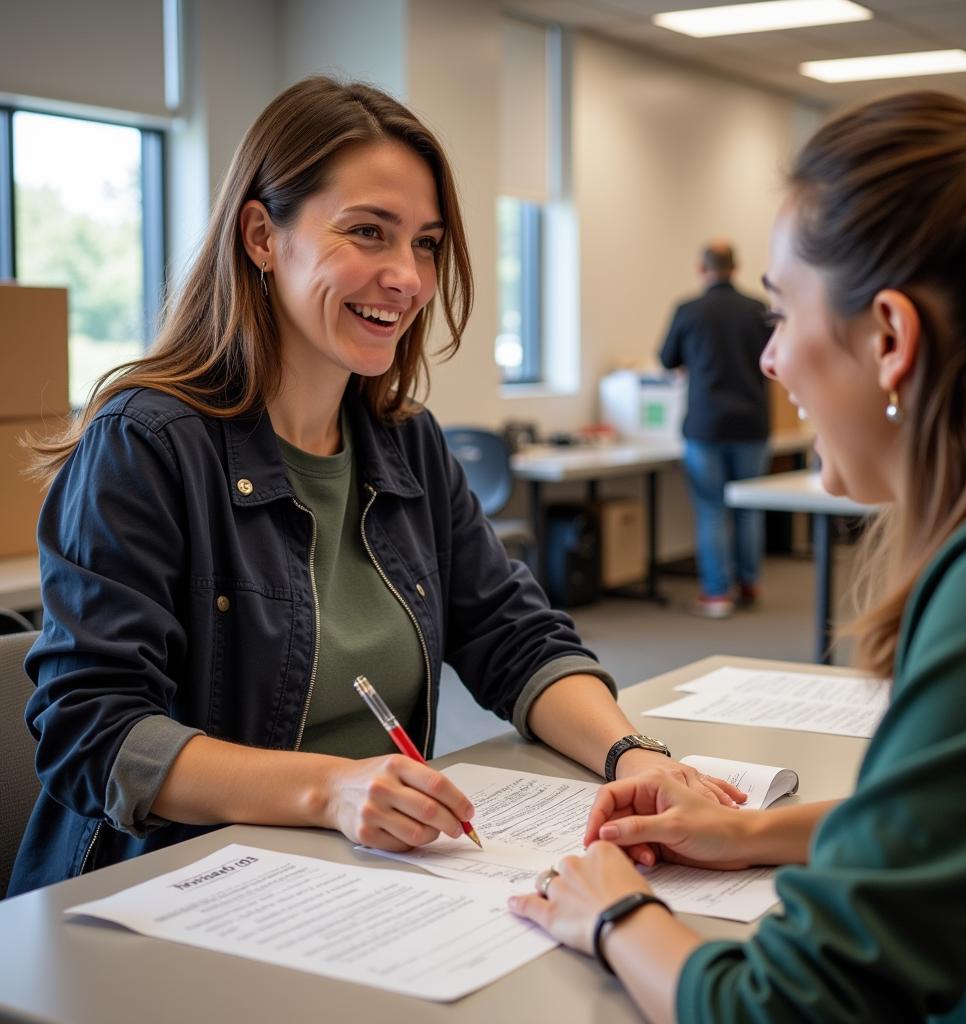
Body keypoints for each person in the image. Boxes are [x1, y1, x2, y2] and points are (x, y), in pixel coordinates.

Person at [7, 77, 743, 898]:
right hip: (174, 891)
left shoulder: (401, 441)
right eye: (368, 233)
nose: (408, 277)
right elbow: (92, 733)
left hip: (360, 882)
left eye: (426, 243)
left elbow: (514, 637)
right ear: (260, 234)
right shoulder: (145, 443)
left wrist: (633, 755)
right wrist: (331, 788)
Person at [511, 91, 966, 1023]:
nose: (772, 359)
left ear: (892, 339)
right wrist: (747, 831)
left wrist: (617, 914)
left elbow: (791, 1006)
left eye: (783, 315)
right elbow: (942, 832)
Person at [659, 241, 772, 618]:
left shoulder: (689, 310)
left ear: (700, 268)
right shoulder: (758, 309)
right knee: (748, 508)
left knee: (711, 509)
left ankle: (716, 594)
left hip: (705, 426)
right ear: (736, 267)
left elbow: (666, 359)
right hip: (752, 424)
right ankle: (750, 583)